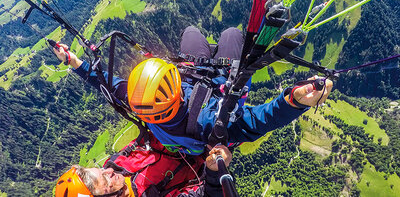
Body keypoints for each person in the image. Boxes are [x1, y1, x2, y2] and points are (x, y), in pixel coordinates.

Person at [54, 26, 333, 155]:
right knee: (232, 35)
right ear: (177, 93)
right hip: (223, 86)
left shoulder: (139, 100)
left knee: (190, 33)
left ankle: (212, 53)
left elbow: (108, 82)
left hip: (198, 75)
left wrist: (75, 62)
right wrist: (293, 102)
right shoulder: (208, 125)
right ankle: (228, 47)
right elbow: (257, 122)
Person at [55, 132, 232, 197]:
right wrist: (214, 171)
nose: (109, 169)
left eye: (102, 169)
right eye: (106, 179)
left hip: (186, 133)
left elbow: (145, 138)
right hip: (209, 155)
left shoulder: (116, 164)